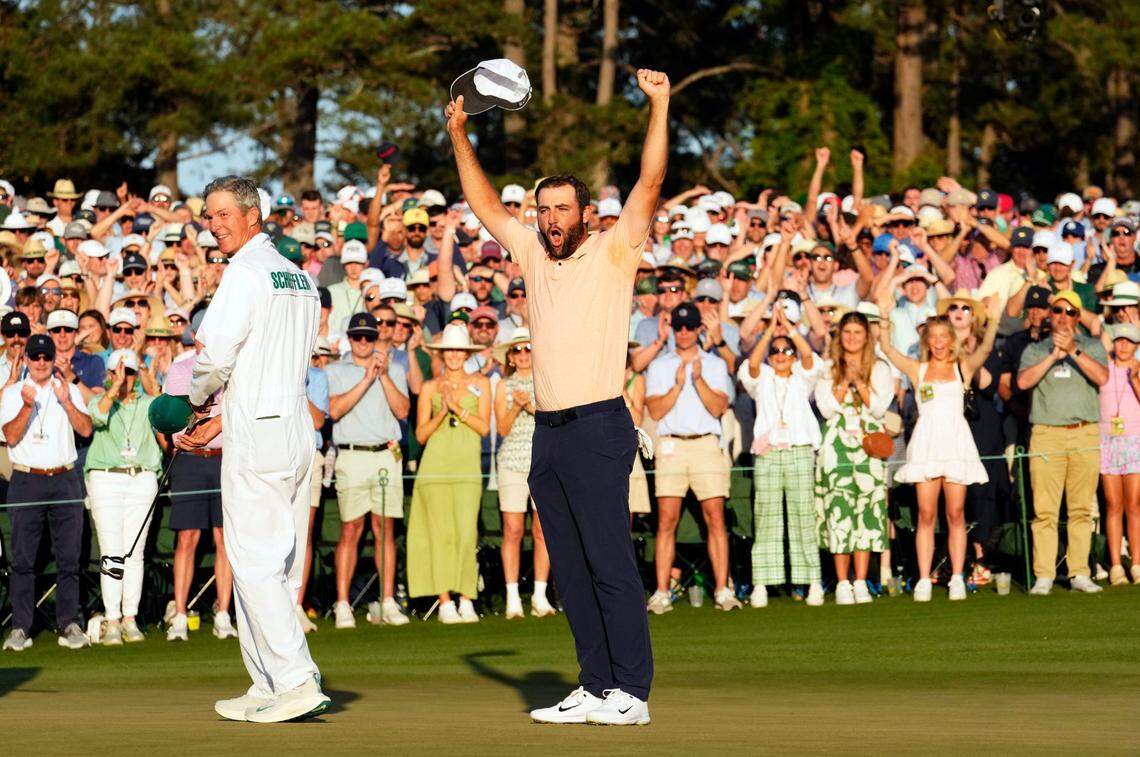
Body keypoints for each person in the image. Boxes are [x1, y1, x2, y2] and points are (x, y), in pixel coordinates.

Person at [447, 67, 669, 727]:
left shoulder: (614, 248)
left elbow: (651, 182)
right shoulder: (533, 255)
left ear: (583, 214)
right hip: (547, 431)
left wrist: (658, 104)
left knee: (608, 561)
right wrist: (459, 132)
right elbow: (485, 205)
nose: (550, 220)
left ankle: (632, 690)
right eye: (544, 210)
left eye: (562, 209)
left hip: (601, 424)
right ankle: (597, 684)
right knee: (570, 569)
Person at [182, 176, 329, 722]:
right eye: (208, 215)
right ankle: (267, 679)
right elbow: (267, 361)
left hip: (261, 434)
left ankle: (293, 678)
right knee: (273, 560)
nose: (213, 224)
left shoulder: (243, 272)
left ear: (252, 215)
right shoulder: (298, 277)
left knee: (254, 560)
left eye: (222, 215)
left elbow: (215, 356)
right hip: (293, 427)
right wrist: (220, 410)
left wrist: (197, 402)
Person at [878, 296, 1000, 601]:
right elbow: (889, 350)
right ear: (926, 341)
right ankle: (923, 578)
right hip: (927, 444)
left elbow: (985, 349)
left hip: (956, 442)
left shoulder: (963, 368)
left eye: (944, 337)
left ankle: (957, 576)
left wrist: (994, 319)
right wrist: (883, 318)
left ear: (952, 339)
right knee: (926, 513)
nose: (939, 343)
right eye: (933, 338)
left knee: (956, 512)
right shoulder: (917, 370)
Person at [1, 334, 93, 652]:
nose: (41, 362)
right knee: (23, 559)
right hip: (27, 479)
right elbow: (10, 436)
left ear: (53, 359)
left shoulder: (65, 389)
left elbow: (85, 429)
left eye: (46, 357)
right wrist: (27, 406)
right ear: (26, 359)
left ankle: (69, 622)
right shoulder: (14, 393)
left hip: (64, 477)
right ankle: (20, 627)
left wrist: (67, 401)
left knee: (69, 557)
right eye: (35, 357)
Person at [645, 304, 737, 613]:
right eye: (679, 327)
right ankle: (661, 592)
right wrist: (678, 385)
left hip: (705, 444)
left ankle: (723, 590)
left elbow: (717, 407)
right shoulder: (660, 366)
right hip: (672, 445)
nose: (683, 332)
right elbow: (655, 411)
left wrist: (697, 380)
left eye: (690, 326)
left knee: (715, 518)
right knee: (667, 519)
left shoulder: (713, 365)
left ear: (699, 329)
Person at [1017, 290, 1109, 596]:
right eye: (1058, 310)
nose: (1064, 317)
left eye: (1071, 312)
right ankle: (1043, 574)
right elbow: (1023, 382)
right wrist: (1053, 356)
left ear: (1078, 317)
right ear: (1050, 314)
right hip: (1047, 432)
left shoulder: (1092, 346)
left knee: (1081, 509)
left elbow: (1103, 378)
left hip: (1083, 431)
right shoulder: (1035, 349)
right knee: (1045, 510)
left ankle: (1079, 572)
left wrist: (1073, 352)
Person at [326, 312, 411, 629]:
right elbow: (334, 411)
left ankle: (387, 600)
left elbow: (403, 410)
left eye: (369, 337)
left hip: (386, 454)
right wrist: (366, 379)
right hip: (352, 455)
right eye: (358, 337)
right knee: (350, 530)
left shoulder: (395, 368)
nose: (363, 342)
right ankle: (343, 603)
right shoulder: (335, 371)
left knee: (385, 529)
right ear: (349, 339)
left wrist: (384, 376)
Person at [738, 308, 824, 608]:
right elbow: (751, 365)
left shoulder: (803, 375)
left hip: (800, 449)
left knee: (803, 516)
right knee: (767, 517)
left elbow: (810, 358)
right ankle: (762, 582)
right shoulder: (762, 377)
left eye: (786, 350)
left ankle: (812, 580)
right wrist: (769, 333)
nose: (781, 354)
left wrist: (789, 329)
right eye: (775, 351)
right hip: (769, 451)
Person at [161, 311, 235, 643]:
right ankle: (179, 613)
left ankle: (223, 613)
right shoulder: (179, 369)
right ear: (194, 335)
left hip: (224, 456)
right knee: (187, 538)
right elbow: (176, 417)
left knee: (225, 538)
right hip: (190, 457)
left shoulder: (233, 367)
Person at [407, 323, 489, 622]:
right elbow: (420, 435)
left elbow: (484, 427)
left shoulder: (481, 382)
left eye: (459, 350)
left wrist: (458, 408)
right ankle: (444, 601)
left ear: (467, 353)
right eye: (450, 350)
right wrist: (443, 409)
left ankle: (466, 597)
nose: (454, 355)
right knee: (441, 534)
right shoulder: (430, 387)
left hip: (467, 465)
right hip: (436, 465)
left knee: (467, 532)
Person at [814, 312, 892, 605]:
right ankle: (842, 582)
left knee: (867, 512)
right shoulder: (827, 369)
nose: (852, 338)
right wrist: (843, 382)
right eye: (847, 332)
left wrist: (860, 382)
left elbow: (879, 409)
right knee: (839, 511)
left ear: (866, 336)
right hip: (836, 450)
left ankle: (861, 581)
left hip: (868, 448)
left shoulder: (880, 368)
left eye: (858, 332)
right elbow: (826, 409)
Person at [85, 349, 159, 645]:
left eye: (128, 372)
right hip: (106, 477)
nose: (124, 378)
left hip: (141, 477)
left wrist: (147, 377)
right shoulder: (101, 399)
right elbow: (97, 416)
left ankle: (129, 617)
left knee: (134, 552)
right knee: (111, 552)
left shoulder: (146, 402)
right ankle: (112, 617)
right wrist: (114, 388)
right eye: (118, 372)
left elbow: (167, 411)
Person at [492, 327, 556, 619]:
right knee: (513, 530)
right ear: (510, 356)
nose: (523, 355)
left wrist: (528, 405)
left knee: (542, 531)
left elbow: (552, 417)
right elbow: (502, 429)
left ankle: (540, 596)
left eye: (528, 349)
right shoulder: (503, 386)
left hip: (543, 461)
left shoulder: (547, 381)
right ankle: (513, 596)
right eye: (517, 350)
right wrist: (516, 406)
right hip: (512, 463)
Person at [1097, 323, 1140, 586]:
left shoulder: (1137, 367)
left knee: (1134, 505)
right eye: (1119, 340)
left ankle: (1136, 562)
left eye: (1129, 341)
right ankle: (1115, 565)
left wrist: (1135, 379)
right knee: (1113, 504)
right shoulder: (1105, 367)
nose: (1123, 345)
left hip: (1135, 440)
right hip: (1107, 441)